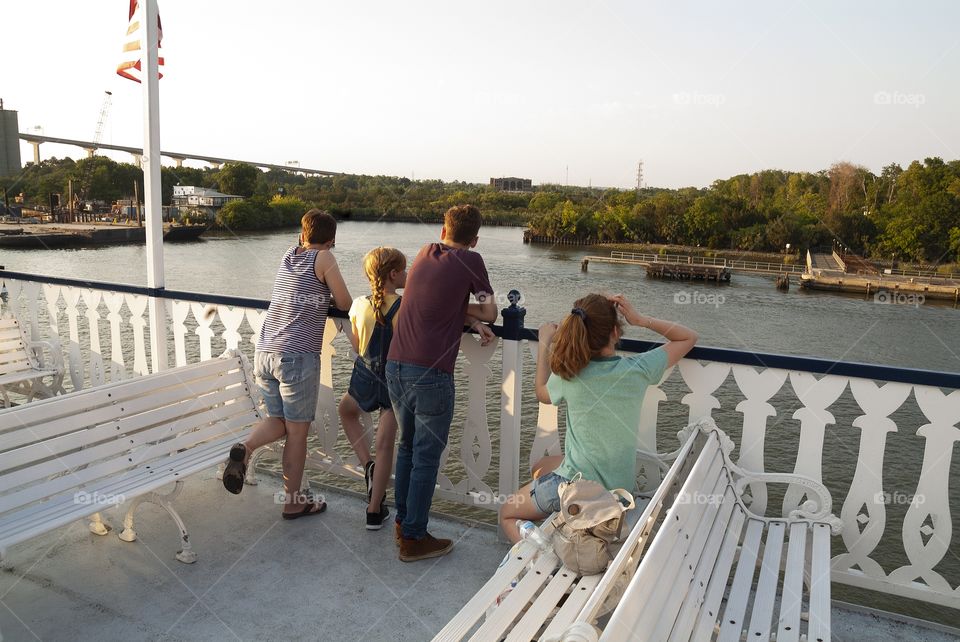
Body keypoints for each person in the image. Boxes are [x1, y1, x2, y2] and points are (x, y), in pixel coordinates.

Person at [498, 293, 698, 543]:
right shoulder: (638, 369)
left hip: (576, 490)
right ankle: (566, 528)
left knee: (507, 512)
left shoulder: (570, 374)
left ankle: (537, 558)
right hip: (618, 490)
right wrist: (639, 319)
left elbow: (541, 392)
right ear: (615, 332)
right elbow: (688, 337)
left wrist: (545, 344)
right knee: (540, 465)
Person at [222, 209, 351, 519]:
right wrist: (327, 300)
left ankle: (245, 448)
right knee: (296, 433)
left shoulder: (289, 255)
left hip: (265, 351)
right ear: (330, 241)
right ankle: (293, 502)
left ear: (301, 235)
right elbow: (345, 303)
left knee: (279, 421)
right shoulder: (325, 258)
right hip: (296, 357)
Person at [386, 204, 497, 562]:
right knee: (426, 458)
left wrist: (460, 313)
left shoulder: (423, 252)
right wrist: (474, 316)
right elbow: (492, 311)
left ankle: (404, 523)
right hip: (430, 373)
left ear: (442, 229)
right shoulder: (472, 261)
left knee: (407, 448)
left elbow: (434, 300)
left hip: (396, 365)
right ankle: (415, 538)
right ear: (475, 238)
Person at [338, 247, 407, 530]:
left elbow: (357, 346)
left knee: (345, 410)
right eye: (404, 270)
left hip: (365, 375)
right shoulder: (404, 307)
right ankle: (374, 509)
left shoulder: (358, 304)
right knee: (385, 444)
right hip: (393, 380)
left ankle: (368, 465)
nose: (407, 274)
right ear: (393, 275)